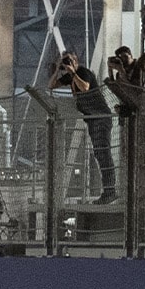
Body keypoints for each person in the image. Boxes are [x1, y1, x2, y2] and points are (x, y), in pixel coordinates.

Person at [53, 50, 117, 202]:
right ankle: (108, 191)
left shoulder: (83, 72)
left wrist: (73, 73)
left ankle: (110, 190)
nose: (68, 63)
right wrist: (57, 69)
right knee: (99, 154)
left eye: (69, 60)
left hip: (100, 117)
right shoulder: (69, 77)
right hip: (91, 119)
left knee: (103, 153)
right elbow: (51, 85)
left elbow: (85, 87)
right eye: (65, 61)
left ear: (76, 60)